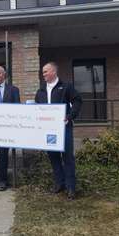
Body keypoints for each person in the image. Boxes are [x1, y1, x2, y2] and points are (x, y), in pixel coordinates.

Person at [35, 62, 82, 200]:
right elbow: (37, 109)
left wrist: (70, 116)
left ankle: (71, 188)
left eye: (45, 71)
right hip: (48, 131)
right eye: (43, 72)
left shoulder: (66, 86)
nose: (43, 74)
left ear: (54, 72)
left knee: (67, 157)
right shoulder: (41, 90)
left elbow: (78, 100)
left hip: (64, 129)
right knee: (53, 157)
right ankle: (59, 183)